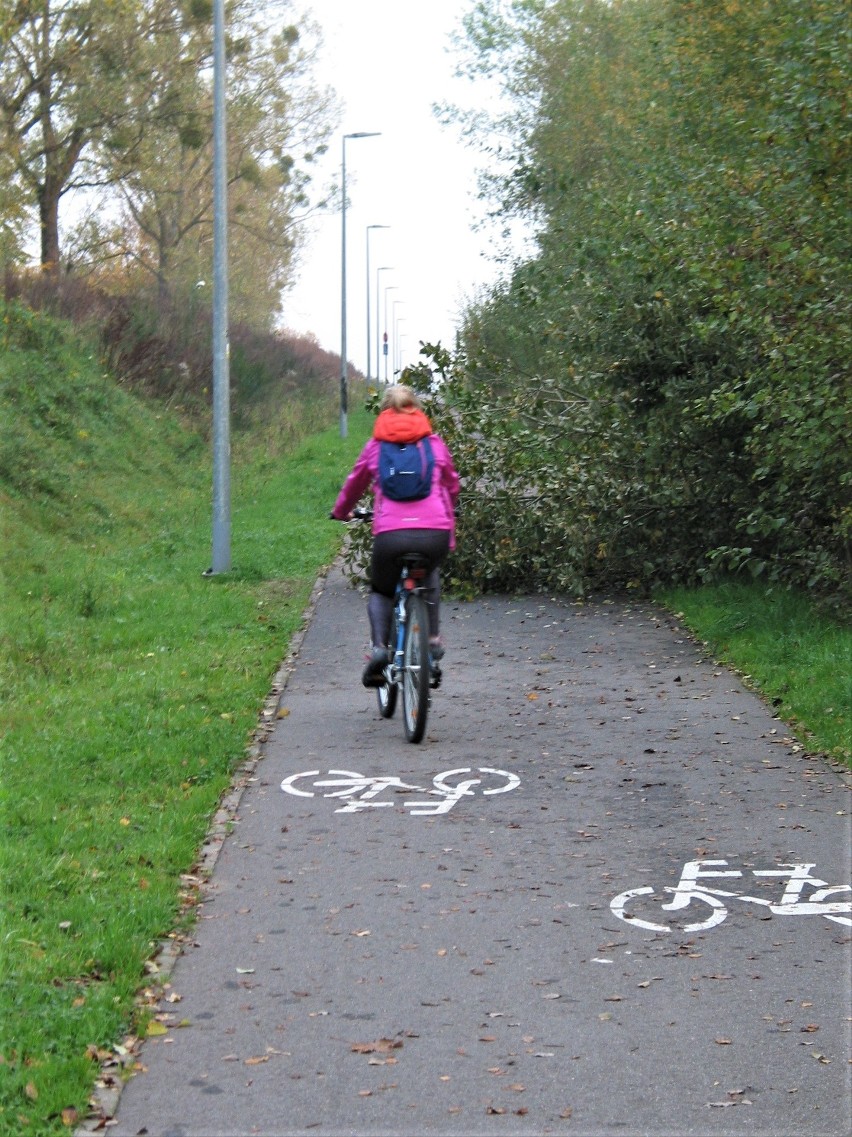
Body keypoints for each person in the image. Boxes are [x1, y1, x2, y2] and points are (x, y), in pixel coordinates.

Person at [331, 385, 460, 687]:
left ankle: (379, 650)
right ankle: (431, 638)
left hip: (391, 535)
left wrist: (341, 512)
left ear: (385, 411)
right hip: (434, 533)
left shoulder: (375, 447)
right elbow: (452, 484)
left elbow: (354, 484)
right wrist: (448, 508)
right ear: (416, 408)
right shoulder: (434, 444)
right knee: (429, 574)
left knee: (381, 591)